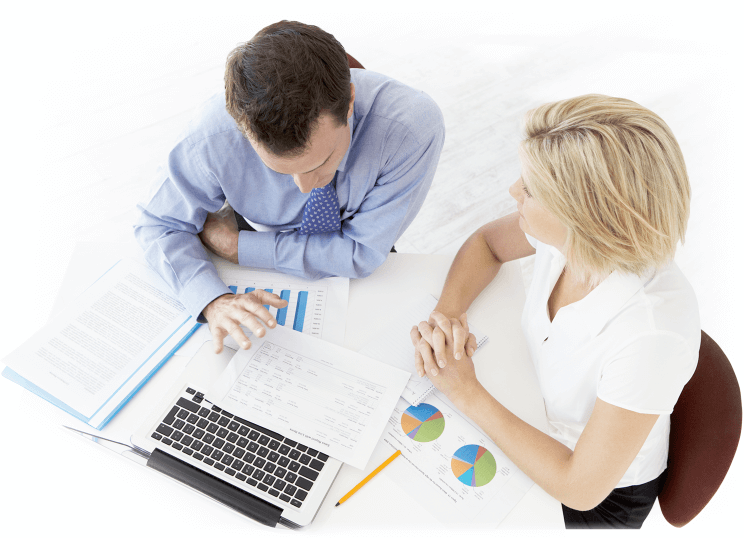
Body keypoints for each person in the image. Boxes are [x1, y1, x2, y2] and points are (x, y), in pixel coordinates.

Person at [410, 95, 699, 529]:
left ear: (584, 218)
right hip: (535, 413)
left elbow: (580, 487)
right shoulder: (570, 240)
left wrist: (465, 391)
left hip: (595, 495)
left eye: (530, 189)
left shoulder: (651, 335)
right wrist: (446, 316)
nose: (513, 191)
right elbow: (487, 244)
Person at [134, 21, 444, 353]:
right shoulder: (212, 136)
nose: (305, 187)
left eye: (321, 162)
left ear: (350, 102)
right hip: (258, 236)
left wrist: (238, 247)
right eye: (281, 170)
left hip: (349, 250)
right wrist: (212, 300)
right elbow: (158, 224)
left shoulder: (410, 128)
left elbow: (360, 252)